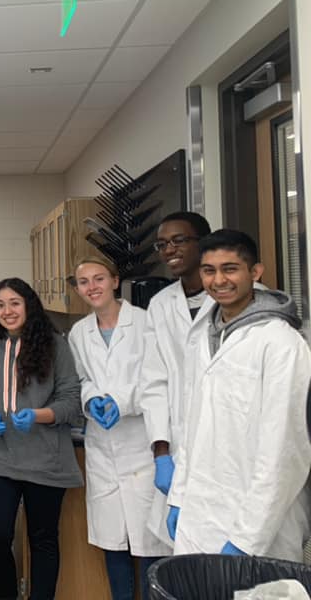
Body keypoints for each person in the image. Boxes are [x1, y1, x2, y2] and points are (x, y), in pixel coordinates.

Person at [167, 230, 311, 561]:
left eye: (230, 269)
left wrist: (248, 538)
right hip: (199, 512)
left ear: (255, 273)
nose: (218, 280)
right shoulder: (205, 336)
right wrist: (178, 497)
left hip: (257, 527)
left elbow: (285, 451)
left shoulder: (281, 343)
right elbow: (194, 425)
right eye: (209, 270)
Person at [0, 278, 83, 600]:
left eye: (14, 303)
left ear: (29, 304)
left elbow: (72, 400)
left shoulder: (54, 344)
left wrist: (38, 415)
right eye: (0, 305)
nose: (7, 311)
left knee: (42, 539)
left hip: (45, 458)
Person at [68, 257, 167, 600]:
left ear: (114, 280)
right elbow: (80, 379)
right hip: (102, 446)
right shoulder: (79, 332)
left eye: (98, 279)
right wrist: (92, 399)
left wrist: (120, 402)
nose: (92, 287)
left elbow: (158, 379)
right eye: (83, 282)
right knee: (114, 544)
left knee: (150, 544)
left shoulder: (145, 323)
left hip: (142, 443)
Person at [139, 211, 212, 544]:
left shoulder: (246, 299)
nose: (169, 250)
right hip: (180, 445)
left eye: (179, 240)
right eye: (162, 244)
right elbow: (154, 383)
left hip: (227, 447)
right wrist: (161, 453)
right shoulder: (160, 304)